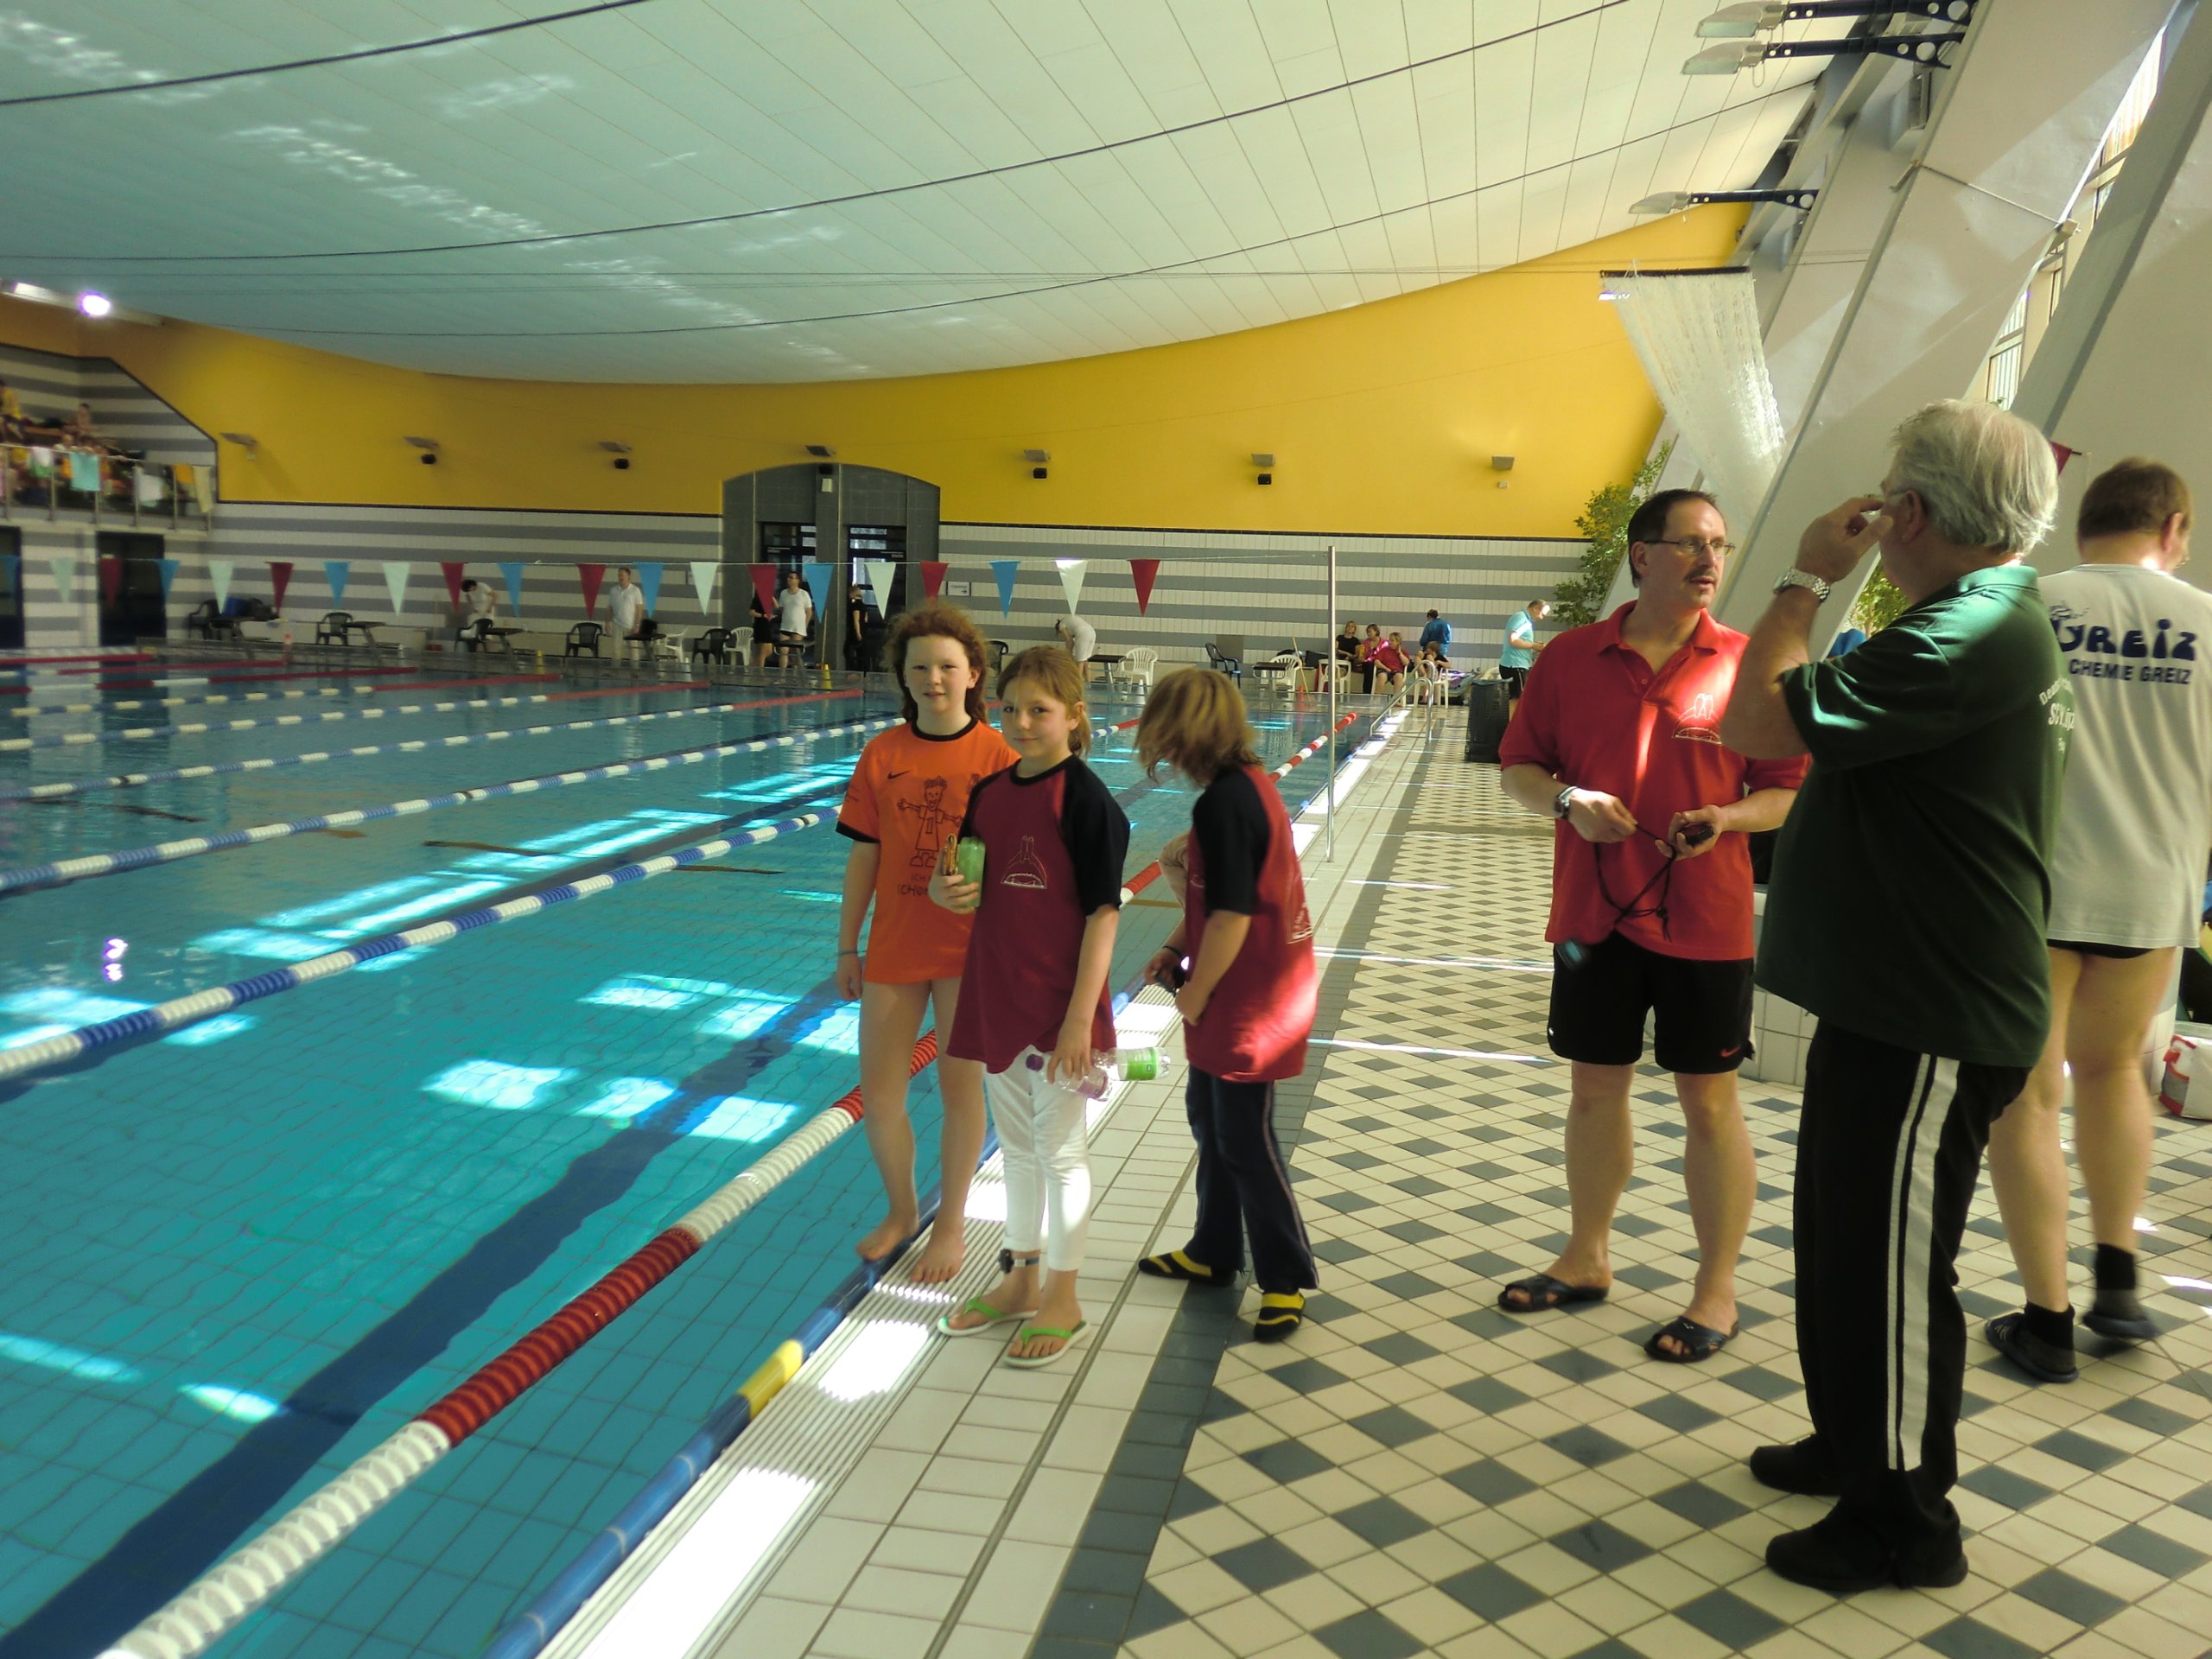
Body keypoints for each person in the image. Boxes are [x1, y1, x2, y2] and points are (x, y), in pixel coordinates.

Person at [1719, 399, 2071, 1594]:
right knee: (1843, 1244)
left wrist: (1807, 579)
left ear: (1906, 512)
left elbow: (1752, 719)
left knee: (1893, 1267)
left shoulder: (1965, 632)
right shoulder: (1976, 617)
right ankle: (1854, 1444)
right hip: (1891, 998)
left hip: (1932, 1011)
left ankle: (1905, 1523)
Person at [1495, 489, 1807, 1365]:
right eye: (1690, 544)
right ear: (1641, 556)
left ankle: (1716, 1291)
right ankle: (1586, 1256)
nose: (1711, 561)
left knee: (1708, 1100)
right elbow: (1518, 768)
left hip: (1706, 920)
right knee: (1594, 1089)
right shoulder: (1570, 657)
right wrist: (1568, 800)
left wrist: (1727, 818)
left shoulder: (1749, 663)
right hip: (1594, 913)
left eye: (1720, 545)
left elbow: (1787, 789)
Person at [1982, 459, 2211, 1383]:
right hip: (2150, 890)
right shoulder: (2208, 622)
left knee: (2030, 1094)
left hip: (2031, 886)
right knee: (2116, 1069)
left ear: (2082, 525)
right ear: (2175, 528)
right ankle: (2117, 1276)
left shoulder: (2027, 605)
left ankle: (2046, 1320)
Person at [930, 645, 1127, 1364]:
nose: (1019, 722)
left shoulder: (1088, 802)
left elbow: (1104, 915)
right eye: (1008, 709)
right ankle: (1021, 1277)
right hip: (997, 994)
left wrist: (1079, 1019)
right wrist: (943, 890)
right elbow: (963, 885)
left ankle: (1063, 1298)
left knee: (1060, 1151)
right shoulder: (989, 794)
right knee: (1015, 1147)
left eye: (1038, 710)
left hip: (1059, 1007)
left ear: (1073, 716)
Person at [836, 605, 1019, 1283]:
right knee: (880, 1094)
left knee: (959, 1092)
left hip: (972, 951)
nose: (934, 679)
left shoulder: (999, 757)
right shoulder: (883, 753)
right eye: (921, 667)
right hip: (895, 943)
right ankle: (902, 1210)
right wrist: (846, 946)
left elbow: (1021, 865)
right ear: (904, 677)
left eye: (947, 666)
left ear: (973, 674)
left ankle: (951, 1223)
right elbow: (864, 855)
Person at [1136, 669, 1320, 1342]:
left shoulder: (1227, 804)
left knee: (1245, 1138)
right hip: (1251, 987)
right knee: (1209, 1121)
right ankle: (1214, 1249)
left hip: (1254, 999)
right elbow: (1216, 897)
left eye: (1163, 732)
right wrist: (1173, 947)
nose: (1159, 747)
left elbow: (1233, 916)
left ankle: (1285, 1277)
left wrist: (1197, 991)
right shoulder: (1244, 788)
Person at [1500, 597, 1550, 706]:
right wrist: (1533, 645)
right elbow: (1513, 639)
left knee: (1517, 698)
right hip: (1515, 665)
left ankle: (1513, 716)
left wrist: (1534, 646)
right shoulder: (1523, 620)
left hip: (1515, 664)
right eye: (1542, 614)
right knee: (1518, 699)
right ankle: (1514, 717)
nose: (1541, 618)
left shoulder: (1523, 619)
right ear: (1536, 608)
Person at [603, 565, 645, 666]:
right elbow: (609, 608)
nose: (620, 578)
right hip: (617, 623)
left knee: (633, 651)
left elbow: (639, 609)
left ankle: (635, 671)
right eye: (619, 575)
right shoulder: (613, 590)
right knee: (616, 650)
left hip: (630, 625)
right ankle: (615, 671)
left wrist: (637, 625)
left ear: (628, 576)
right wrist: (607, 623)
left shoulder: (635, 590)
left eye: (622, 575)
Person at [775, 569, 814, 670]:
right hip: (785, 627)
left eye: (793, 578)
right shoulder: (783, 593)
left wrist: (804, 626)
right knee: (783, 652)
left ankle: (795, 674)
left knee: (795, 653)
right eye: (789, 577)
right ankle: (782, 675)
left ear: (798, 581)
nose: (790, 580)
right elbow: (782, 609)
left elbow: (809, 612)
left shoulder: (803, 594)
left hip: (798, 628)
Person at [1055, 613, 1097, 681]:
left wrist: (1069, 652)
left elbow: (1069, 640)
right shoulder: (1068, 619)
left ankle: (1078, 683)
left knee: (1080, 661)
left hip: (1082, 634)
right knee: (1086, 660)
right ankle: (1089, 683)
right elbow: (1072, 641)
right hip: (1092, 632)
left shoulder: (1061, 625)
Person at [749, 580, 778, 667]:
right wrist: (763, 615)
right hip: (760, 625)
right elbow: (751, 612)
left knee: (769, 651)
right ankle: (760, 671)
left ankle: (750, 667)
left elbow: (776, 606)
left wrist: (771, 596)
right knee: (763, 650)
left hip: (767, 625)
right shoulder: (758, 598)